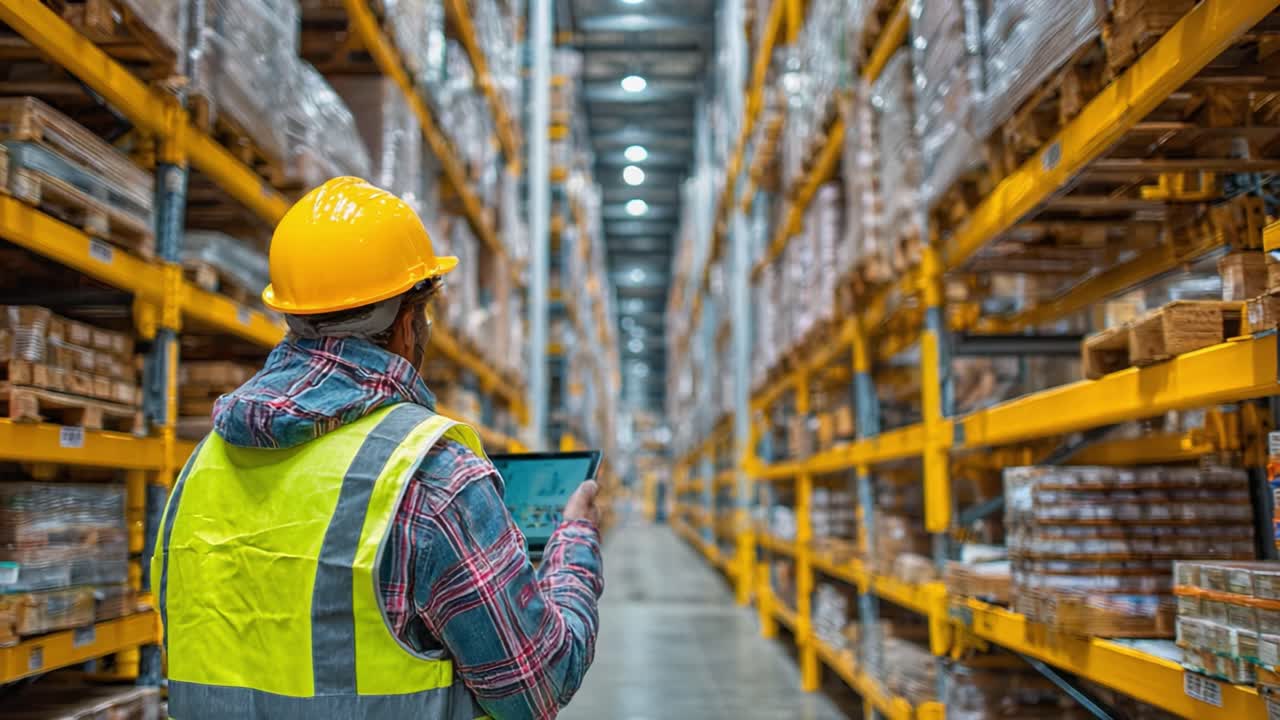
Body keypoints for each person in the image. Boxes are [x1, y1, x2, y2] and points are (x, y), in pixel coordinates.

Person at [152, 177, 604, 719]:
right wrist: (574, 545)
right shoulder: (432, 475)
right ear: (407, 325)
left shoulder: (201, 465)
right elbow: (535, 686)